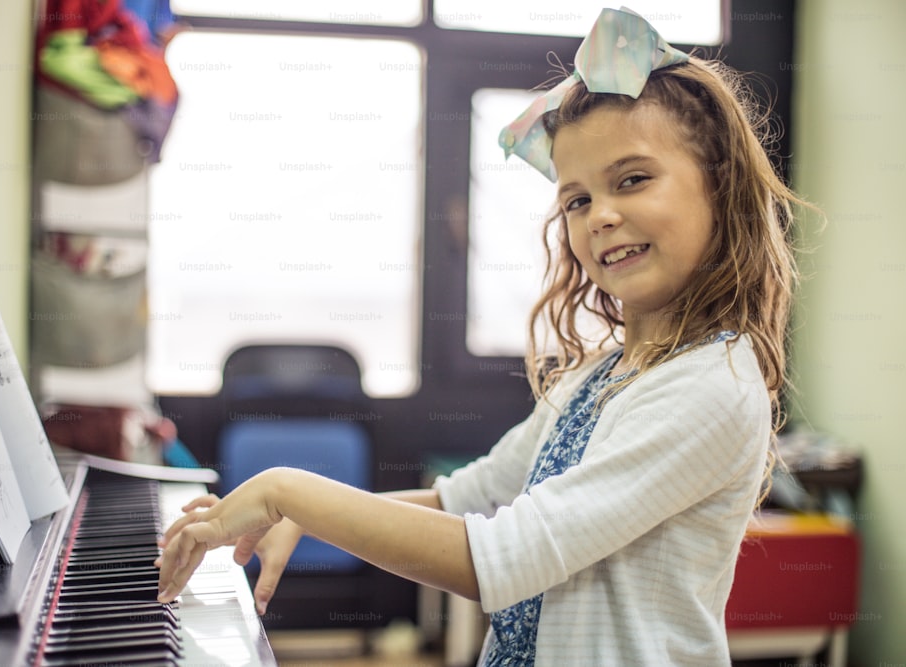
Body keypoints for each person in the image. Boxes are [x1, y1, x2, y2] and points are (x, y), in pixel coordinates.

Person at [156, 7, 807, 665]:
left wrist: (288, 489)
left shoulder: (711, 383)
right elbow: (467, 496)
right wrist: (303, 514)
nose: (601, 216)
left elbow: (508, 557)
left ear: (719, 188)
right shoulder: (601, 374)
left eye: (633, 179)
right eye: (576, 199)